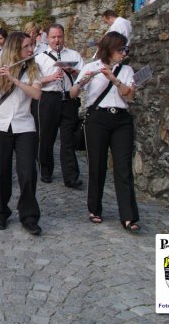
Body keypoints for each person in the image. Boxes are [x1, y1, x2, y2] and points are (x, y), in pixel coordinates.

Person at [69, 31, 140, 233]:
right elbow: (73, 93)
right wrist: (82, 82)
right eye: (120, 49)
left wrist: (114, 79)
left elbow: (129, 95)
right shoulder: (91, 67)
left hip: (121, 119)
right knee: (97, 164)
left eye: (125, 49)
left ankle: (128, 216)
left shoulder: (126, 69)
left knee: (123, 167)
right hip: (97, 119)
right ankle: (95, 209)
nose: (124, 53)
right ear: (109, 49)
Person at [0, 31, 42, 236]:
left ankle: (29, 216)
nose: (31, 49)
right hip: (0, 125)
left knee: (28, 173)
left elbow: (37, 94)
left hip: (25, 126)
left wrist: (14, 79)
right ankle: (0, 212)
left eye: (31, 45)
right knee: (1, 172)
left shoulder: (34, 69)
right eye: (27, 46)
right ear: (16, 49)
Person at [35, 24, 85, 187]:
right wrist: (50, 78)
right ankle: (46, 170)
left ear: (64, 37)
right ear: (47, 39)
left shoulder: (74, 55)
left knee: (68, 139)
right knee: (46, 137)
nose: (57, 40)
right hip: (49, 98)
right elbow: (33, 81)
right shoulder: (40, 58)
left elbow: (84, 79)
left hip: (68, 98)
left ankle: (71, 176)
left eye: (60, 37)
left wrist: (73, 72)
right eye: (53, 37)